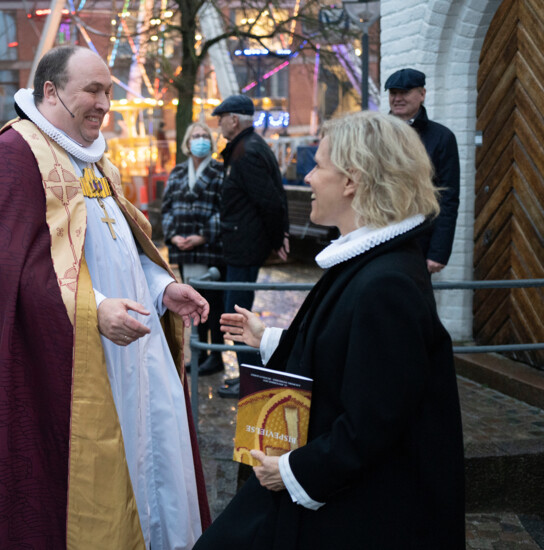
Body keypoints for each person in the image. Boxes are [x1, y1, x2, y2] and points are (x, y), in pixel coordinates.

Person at [0, 45, 211, 550]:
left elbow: (122, 249)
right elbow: (3, 269)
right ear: (50, 90)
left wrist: (164, 288)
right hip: (66, 362)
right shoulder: (14, 154)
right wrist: (92, 310)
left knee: (151, 464)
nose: (104, 103)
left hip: (133, 354)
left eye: (109, 91)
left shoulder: (98, 163)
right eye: (92, 90)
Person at [193, 112, 464, 549]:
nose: (309, 177)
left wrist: (291, 472)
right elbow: (351, 355)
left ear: (353, 181)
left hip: (361, 511)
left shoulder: (387, 283)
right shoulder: (371, 262)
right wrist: (268, 339)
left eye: (318, 166)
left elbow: (373, 421)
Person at [212, 94, 289, 397]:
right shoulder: (248, 147)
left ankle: (253, 383)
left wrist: (277, 238)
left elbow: (269, 201)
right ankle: (249, 377)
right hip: (241, 246)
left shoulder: (247, 152)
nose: (218, 124)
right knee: (237, 313)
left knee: (237, 316)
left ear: (234, 119)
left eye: (221, 118)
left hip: (244, 248)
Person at [162, 120, 226, 375]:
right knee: (194, 302)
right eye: (196, 136)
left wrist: (202, 236)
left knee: (213, 304)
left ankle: (216, 354)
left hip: (208, 248)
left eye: (205, 135)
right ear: (187, 143)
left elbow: (225, 210)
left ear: (211, 142)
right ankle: (200, 353)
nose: (201, 139)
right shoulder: (177, 172)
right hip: (184, 248)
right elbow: (166, 208)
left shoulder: (220, 172)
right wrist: (173, 235)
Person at [385, 68, 460, 274]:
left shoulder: (442, 137)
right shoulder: (375, 134)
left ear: (422, 94)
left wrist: (438, 251)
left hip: (419, 240)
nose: (397, 98)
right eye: (393, 93)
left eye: (405, 92)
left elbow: (448, 196)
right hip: (378, 236)